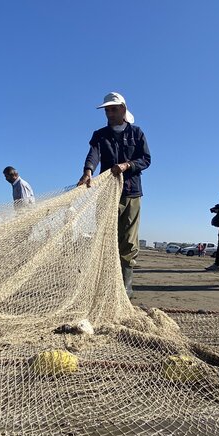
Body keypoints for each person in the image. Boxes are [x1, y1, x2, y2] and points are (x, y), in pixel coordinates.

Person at [77, 91, 150, 298]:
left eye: (113, 109)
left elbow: (146, 159)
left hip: (131, 193)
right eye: (107, 110)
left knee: (128, 240)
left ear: (123, 109)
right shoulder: (100, 134)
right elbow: (94, 153)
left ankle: (126, 287)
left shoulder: (137, 133)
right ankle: (103, 282)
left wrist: (128, 165)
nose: (109, 113)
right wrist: (88, 171)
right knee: (105, 237)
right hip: (107, 193)